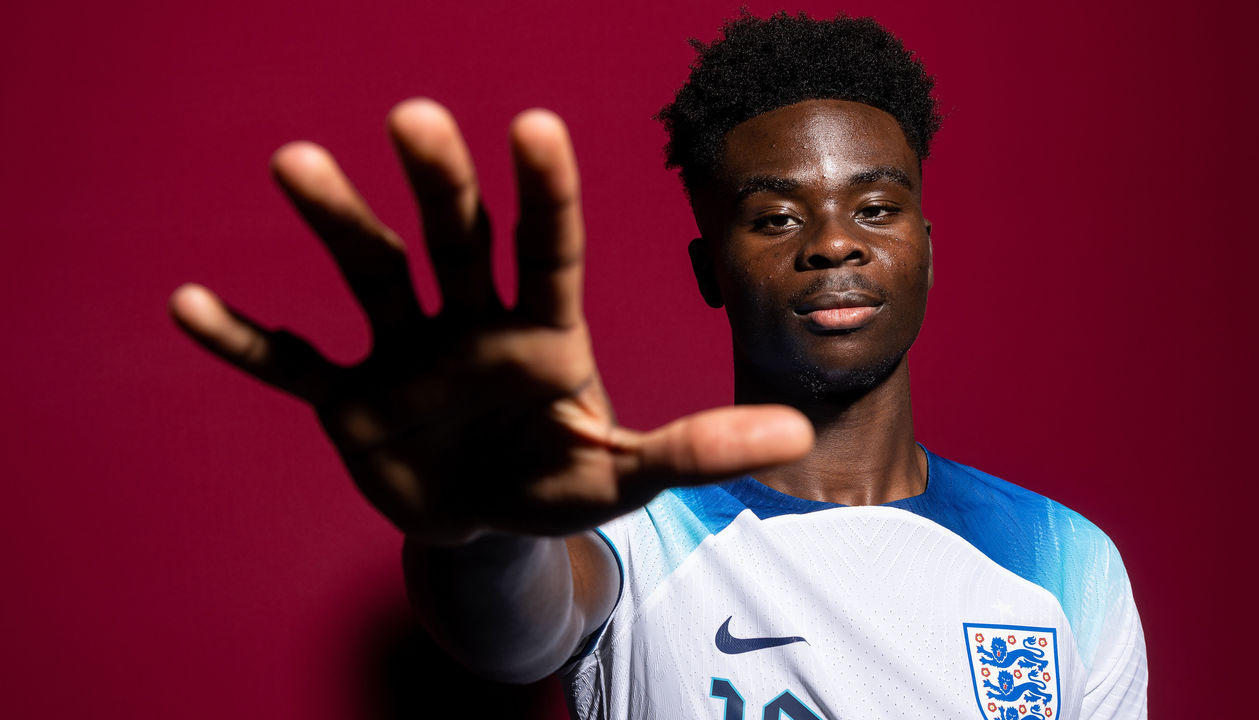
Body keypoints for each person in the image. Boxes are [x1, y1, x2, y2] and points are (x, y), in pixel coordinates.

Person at [169, 11, 1147, 720]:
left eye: (875, 208)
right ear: (708, 269)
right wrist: (472, 531)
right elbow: (515, 634)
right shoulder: (632, 530)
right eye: (774, 217)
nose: (832, 245)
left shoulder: (1064, 565)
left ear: (926, 248)